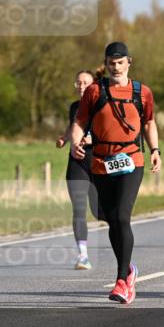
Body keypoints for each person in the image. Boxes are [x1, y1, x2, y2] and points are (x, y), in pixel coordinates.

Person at [70, 42, 160, 305]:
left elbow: (150, 122)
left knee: (122, 215)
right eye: (111, 62)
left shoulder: (142, 92)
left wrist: (155, 149)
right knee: (109, 218)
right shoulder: (95, 91)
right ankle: (129, 269)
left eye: (120, 62)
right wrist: (76, 141)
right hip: (101, 162)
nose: (116, 67)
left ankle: (122, 280)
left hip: (132, 159)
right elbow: (79, 122)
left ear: (129, 62)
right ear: (106, 63)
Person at [56, 70, 101, 269]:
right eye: (78, 83)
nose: (81, 87)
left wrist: (95, 139)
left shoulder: (102, 105)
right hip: (77, 161)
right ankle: (82, 255)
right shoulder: (74, 106)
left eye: (85, 83)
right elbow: (73, 126)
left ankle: (121, 242)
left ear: (94, 85)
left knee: (100, 212)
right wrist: (65, 138)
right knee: (79, 209)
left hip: (99, 162)